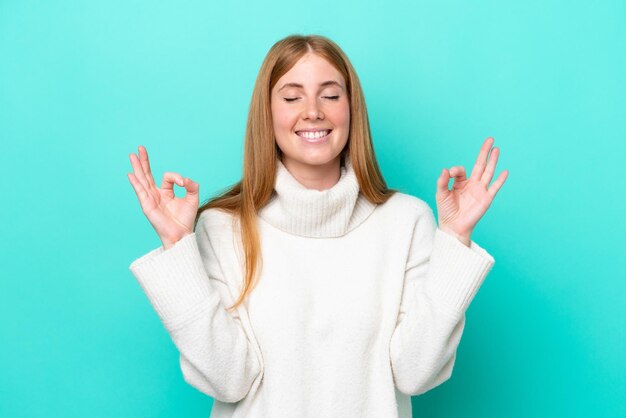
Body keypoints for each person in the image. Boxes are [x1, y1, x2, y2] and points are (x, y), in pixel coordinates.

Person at [127, 34, 508, 418]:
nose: (313, 111)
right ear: (268, 113)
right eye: (292, 97)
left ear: (351, 108)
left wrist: (455, 241)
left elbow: (415, 374)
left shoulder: (407, 221)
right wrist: (177, 245)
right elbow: (229, 380)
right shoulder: (221, 227)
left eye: (330, 95)